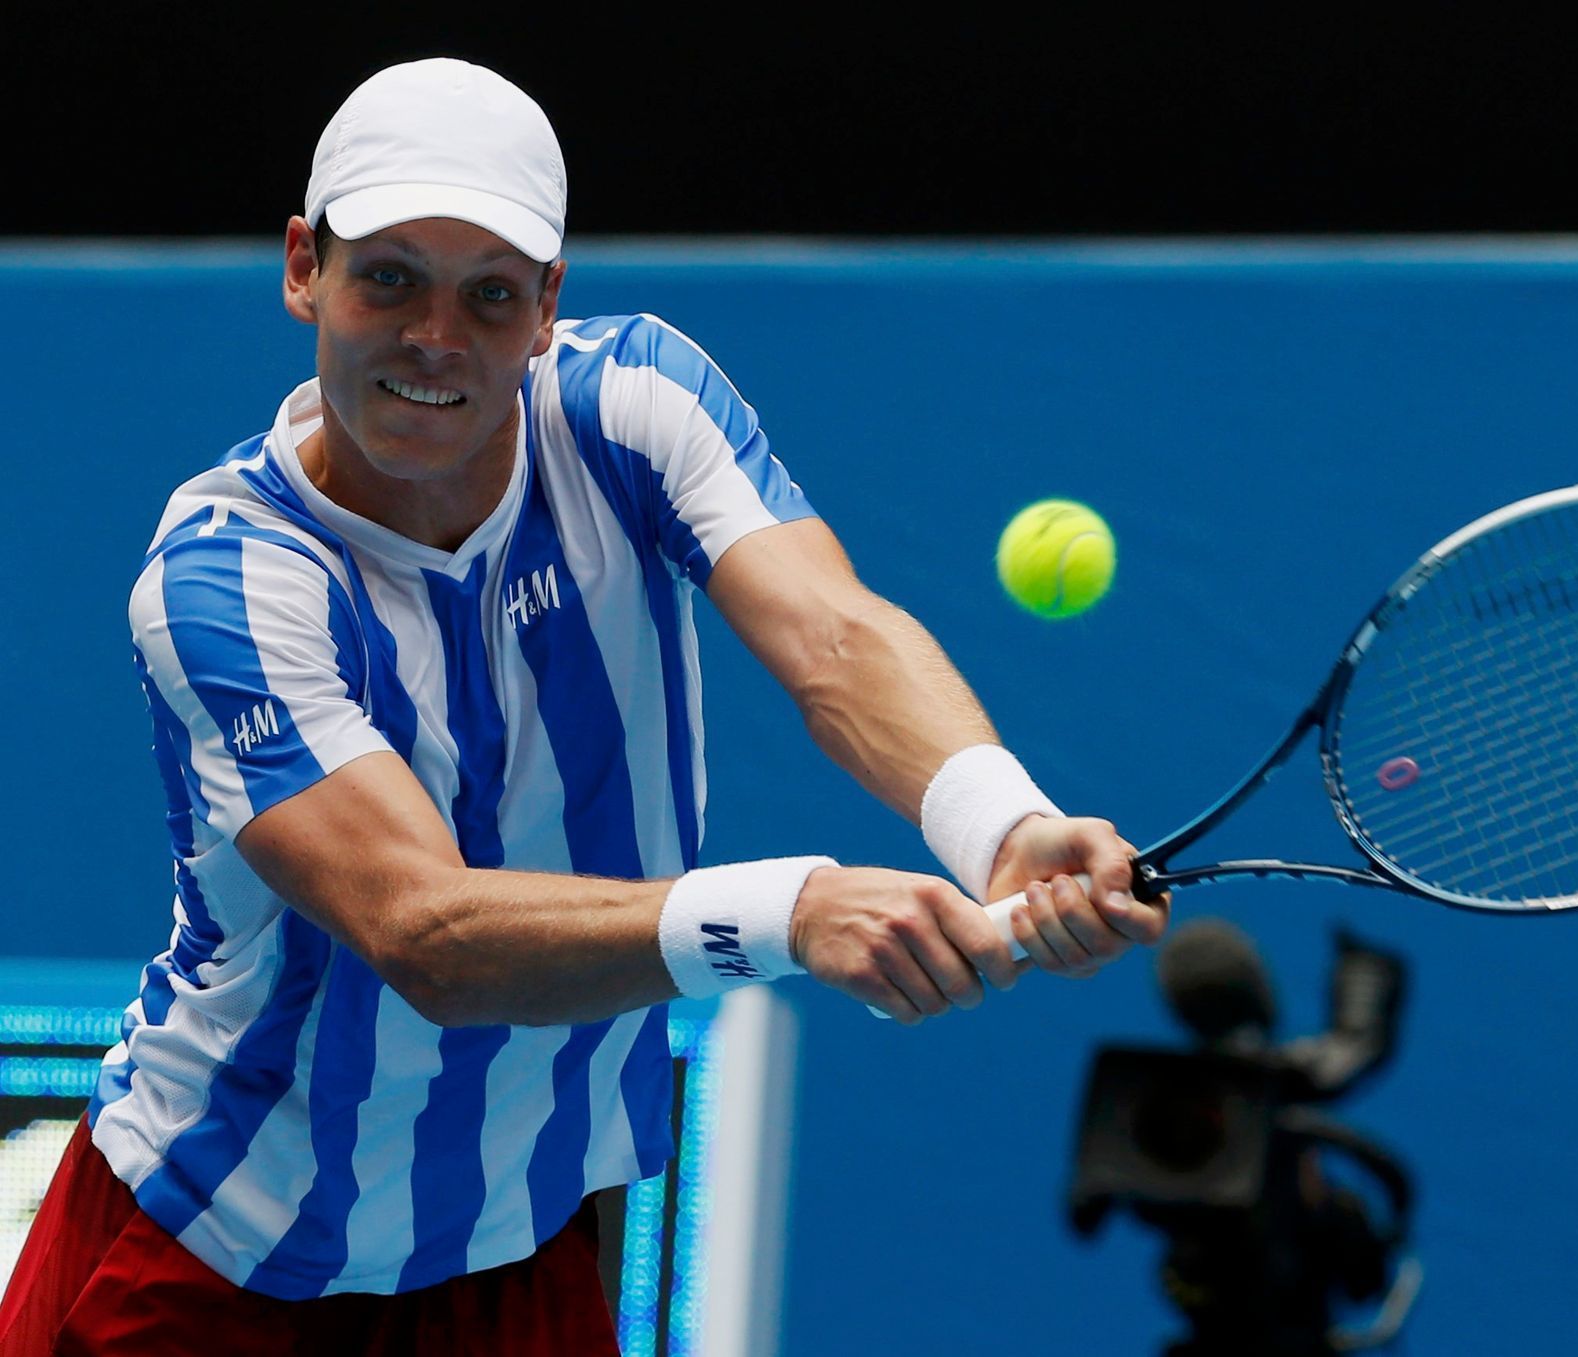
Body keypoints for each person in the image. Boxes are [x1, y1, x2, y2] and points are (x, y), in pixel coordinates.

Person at [0, 57, 1166, 1356]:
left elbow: (833, 636)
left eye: (489, 293)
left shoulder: (634, 405)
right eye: (389, 275)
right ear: (302, 270)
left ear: (549, 306)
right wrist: (793, 910)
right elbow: (423, 927)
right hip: (216, 1260)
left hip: (523, 1252)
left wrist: (997, 820)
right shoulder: (225, 574)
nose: (436, 337)